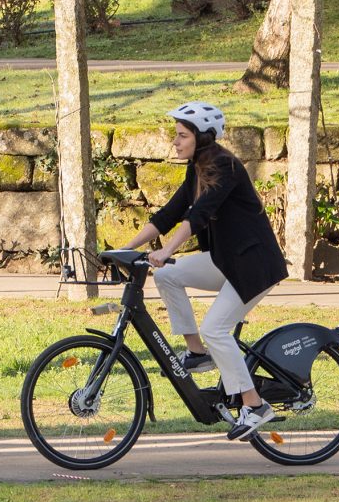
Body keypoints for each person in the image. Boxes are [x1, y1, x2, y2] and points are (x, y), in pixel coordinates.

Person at [122, 101, 289, 441]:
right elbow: (168, 214)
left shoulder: (225, 165)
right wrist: (125, 249)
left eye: (182, 135)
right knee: (167, 275)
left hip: (254, 265)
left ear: (202, 137)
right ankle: (198, 353)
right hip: (226, 259)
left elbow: (196, 216)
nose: (175, 141)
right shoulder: (196, 168)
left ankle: (255, 405)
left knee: (217, 328)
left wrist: (167, 250)